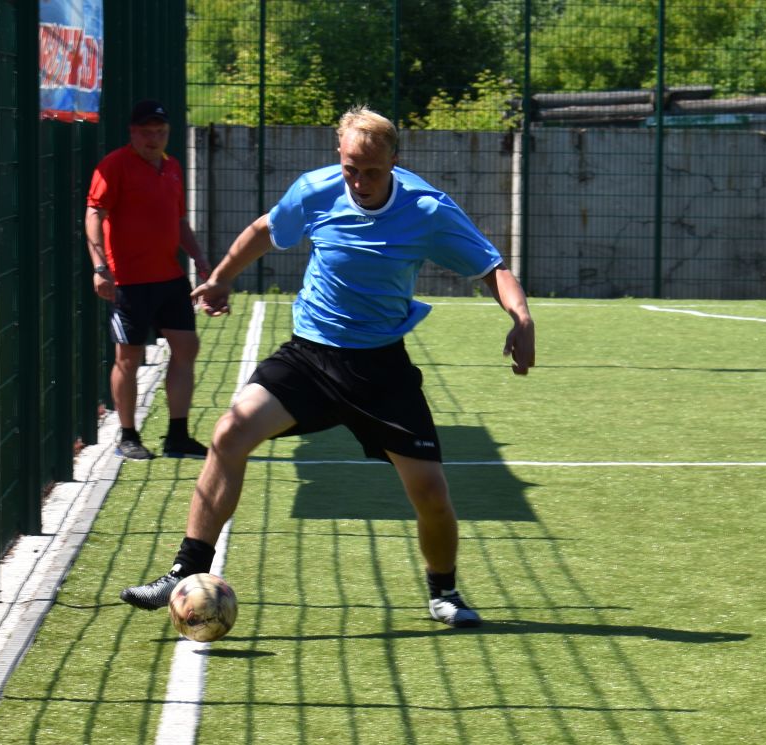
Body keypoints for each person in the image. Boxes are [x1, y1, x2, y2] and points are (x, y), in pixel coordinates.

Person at [119, 106, 535, 628]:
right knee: (230, 433)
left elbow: (491, 267)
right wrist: (222, 277)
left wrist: (520, 315)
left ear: (395, 161)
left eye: (373, 171)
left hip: (381, 368)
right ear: (339, 156)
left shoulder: (427, 209)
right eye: (350, 169)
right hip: (310, 356)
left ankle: (444, 592)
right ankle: (183, 570)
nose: (359, 182)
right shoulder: (315, 189)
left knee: (430, 492)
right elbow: (266, 230)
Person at [86, 98, 212, 461]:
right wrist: (99, 268)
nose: (153, 139)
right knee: (128, 356)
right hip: (128, 281)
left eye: (160, 132)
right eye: (146, 132)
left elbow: (178, 222)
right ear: (132, 133)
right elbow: (94, 214)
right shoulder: (114, 166)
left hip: (169, 277)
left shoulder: (171, 167)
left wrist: (200, 259)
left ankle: (177, 435)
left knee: (186, 347)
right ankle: (127, 435)